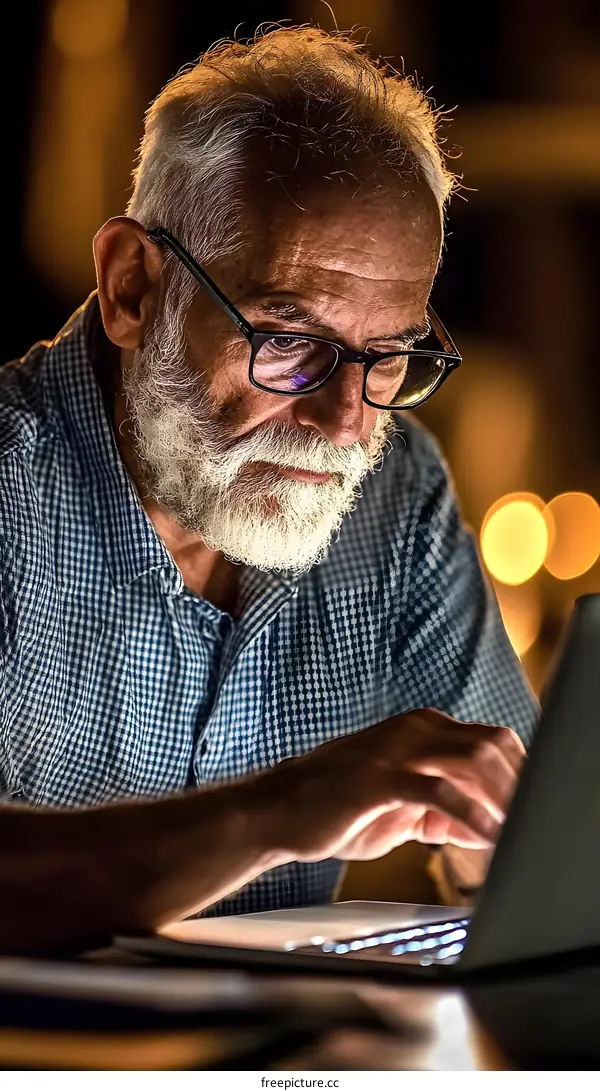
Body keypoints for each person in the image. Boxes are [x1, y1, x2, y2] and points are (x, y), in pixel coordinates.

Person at [0, 26, 537, 955]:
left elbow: (524, 851)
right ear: (132, 289)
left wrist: (517, 852)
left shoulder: (397, 494)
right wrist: (278, 813)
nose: (345, 422)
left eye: (389, 356)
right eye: (288, 340)